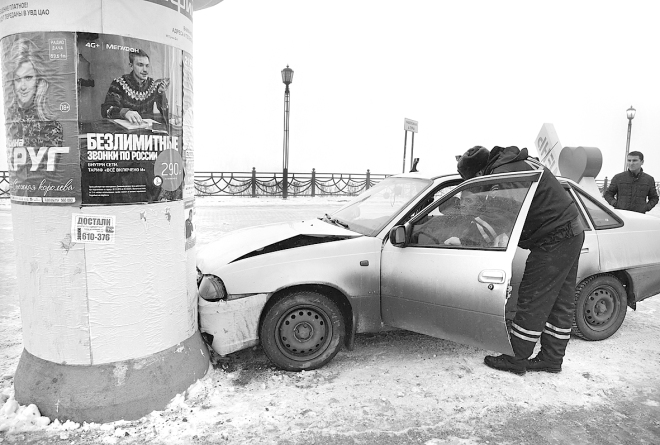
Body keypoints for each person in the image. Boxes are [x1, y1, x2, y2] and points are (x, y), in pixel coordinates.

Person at [457, 145, 585, 375]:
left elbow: (498, 216)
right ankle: (551, 359)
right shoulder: (511, 164)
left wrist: (461, 239)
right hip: (570, 231)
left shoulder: (503, 178)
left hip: (554, 237)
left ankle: (516, 359)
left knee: (533, 298)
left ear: (479, 173)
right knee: (559, 301)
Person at [4, 37, 63, 161]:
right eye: (18, 79)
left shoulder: (51, 128)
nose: (23, 86)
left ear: (38, 80)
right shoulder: (9, 121)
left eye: (28, 78)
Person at [101, 49, 169, 125]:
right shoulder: (119, 83)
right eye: (140, 65)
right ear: (131, 66)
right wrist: (125, 112)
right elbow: (106, 110)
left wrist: (161, 94)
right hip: (123, 130)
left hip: (146, 129)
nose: (145, 70)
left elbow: (165, 114)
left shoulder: (152, 84)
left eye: (147, 66)